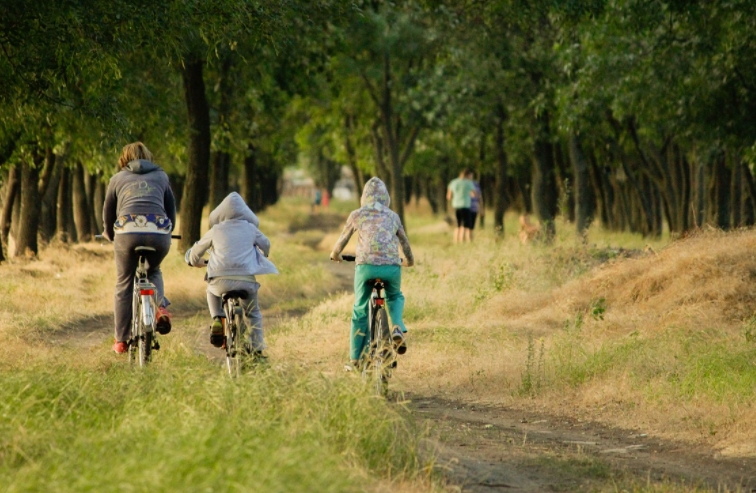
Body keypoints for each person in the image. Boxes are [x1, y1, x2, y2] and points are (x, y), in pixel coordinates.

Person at [330, 177, 414, 368]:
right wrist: (409, 261)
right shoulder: (393, 216)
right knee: (394, 295)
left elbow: (341, 241)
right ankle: (397, 327)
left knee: (360, 308)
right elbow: (405, 244)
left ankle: (355, 359)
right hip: (392, 267)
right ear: (386, 198)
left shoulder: (357, 214)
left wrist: (335, 255)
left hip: (365, 267)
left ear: (364, 197)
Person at [103, 142, 176, 354]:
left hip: (127, 231)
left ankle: (121, 340)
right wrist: (168, 230)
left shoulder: (117, 179)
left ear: (125, 159)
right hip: (159, 232)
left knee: (124, 282)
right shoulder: (161, 176)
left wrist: (109, 234)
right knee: (153, 270)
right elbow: (171, 209)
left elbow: (108, 212)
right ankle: (160, 307)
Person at [185, 192, 278, 356]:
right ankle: (257, 348)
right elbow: (267, 245)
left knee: (211, 291)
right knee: (253, 313)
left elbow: (195, 253)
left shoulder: (216, 229)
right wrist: (262, 255)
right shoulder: (250, 228)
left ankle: (217, 319)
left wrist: (192, 260)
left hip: (220, 281)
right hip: (246, 280)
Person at [446, 168, 476, 243]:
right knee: (465, 225)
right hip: (465, 205)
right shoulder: (468, 183)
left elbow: (448, 197)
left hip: (456, 205)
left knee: (458, 225)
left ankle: (456, 241)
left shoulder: (453, 182)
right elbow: (473, 194)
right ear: (468, 175)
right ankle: (462, 241)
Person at [467, 170, 484, 239]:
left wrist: (481, 207)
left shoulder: (476, 184)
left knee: (471, 226)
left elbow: (479, 196)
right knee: (465, 226)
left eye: (471, 175)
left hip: (474, 207)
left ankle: (470, 240)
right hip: (466, 207)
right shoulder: (464, 184)